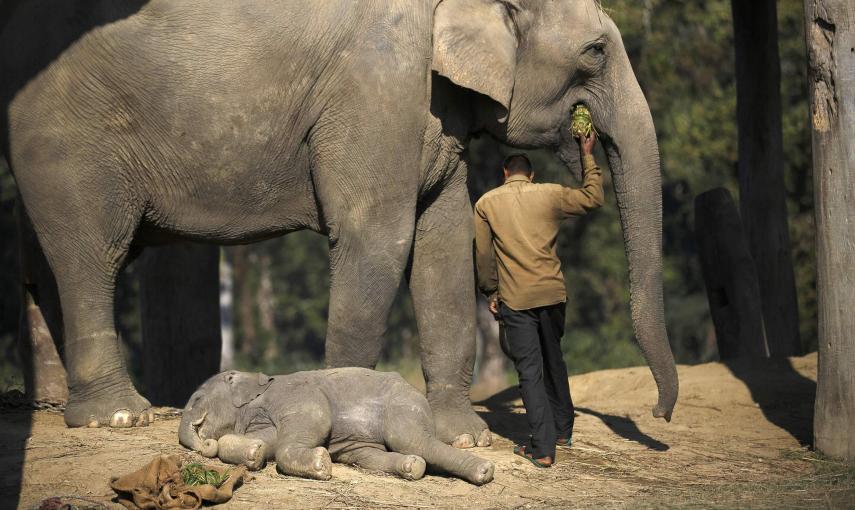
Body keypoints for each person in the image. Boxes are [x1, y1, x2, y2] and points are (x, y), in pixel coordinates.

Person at [473, 131, 603, 468]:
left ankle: (542, 448)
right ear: (531, 175)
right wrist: (587, 155)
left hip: (516, 299)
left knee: (530, 371)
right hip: (553, 294)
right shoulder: (550, 194)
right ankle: (562, 431)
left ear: (505, 174)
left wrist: (491, 291)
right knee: (553, 359)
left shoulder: (487, 203)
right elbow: (593, 197)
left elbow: (484, 255)